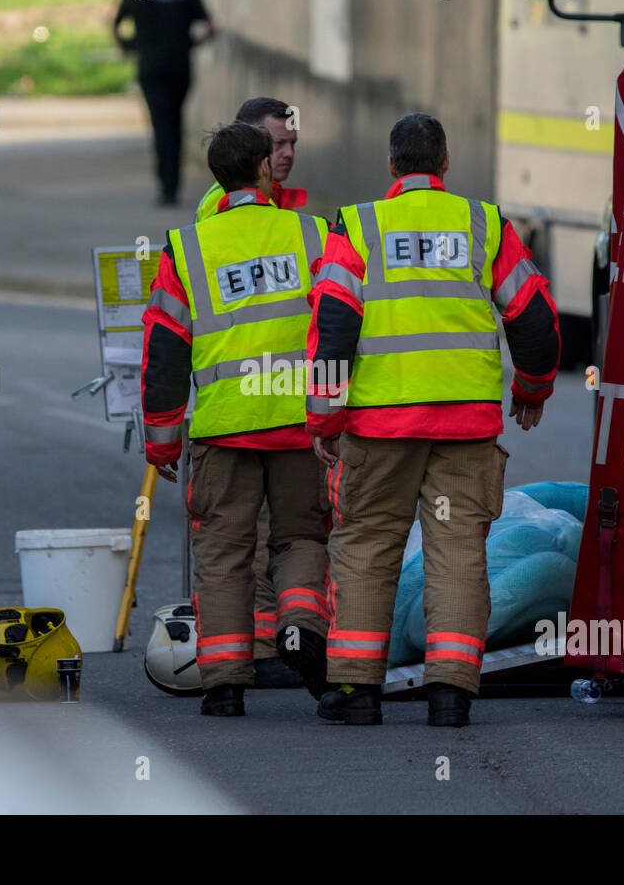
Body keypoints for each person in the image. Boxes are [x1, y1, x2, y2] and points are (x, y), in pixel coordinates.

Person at [304, 113, 561, 727]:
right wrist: (532, 388)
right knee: (457, 554)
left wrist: (324, 418)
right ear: (445, 164)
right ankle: (450, 694)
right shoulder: (484, 224)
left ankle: (356, 694)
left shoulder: (360, 225)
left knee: (365, 548)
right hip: (466, 430)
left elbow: (334, 325)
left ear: (392, 166)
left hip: (379, 429)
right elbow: (534, 318)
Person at [140, 122, 332, 717]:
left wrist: (162, 444)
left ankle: (223, 684)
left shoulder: (189, 246)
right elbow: (342, 325)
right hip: (298, 424)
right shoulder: (313, 234)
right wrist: (335, 416)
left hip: (223, 428)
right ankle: (300, 622)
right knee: (301, 535)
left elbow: (165, 350)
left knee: (222, 551)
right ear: (264, 169)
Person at [195, 95, 310, 690]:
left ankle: (237, 668)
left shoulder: (295, 217)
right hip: (278, 415)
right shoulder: (219, 224)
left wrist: (162, 434)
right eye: (276, 147)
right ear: (255, 159)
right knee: (277, 539)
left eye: (292, 144)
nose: (285, 156)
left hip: (237, 417)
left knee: (236, 546)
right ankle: (271, 645)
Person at [113, 0, 214, 206]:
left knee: (160, 125)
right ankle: (173, 184)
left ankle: (166, 187)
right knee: (176, 122)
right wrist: (190, 44)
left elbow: (116, 25)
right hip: (180, 68)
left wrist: (128, 46)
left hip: (151, 69)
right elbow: (210, 27)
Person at [196, 97, 306, 222]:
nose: (289, 153)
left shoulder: (246, 193)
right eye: (279, 143)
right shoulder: (226, 200)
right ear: (245, 139)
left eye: (292, 143)